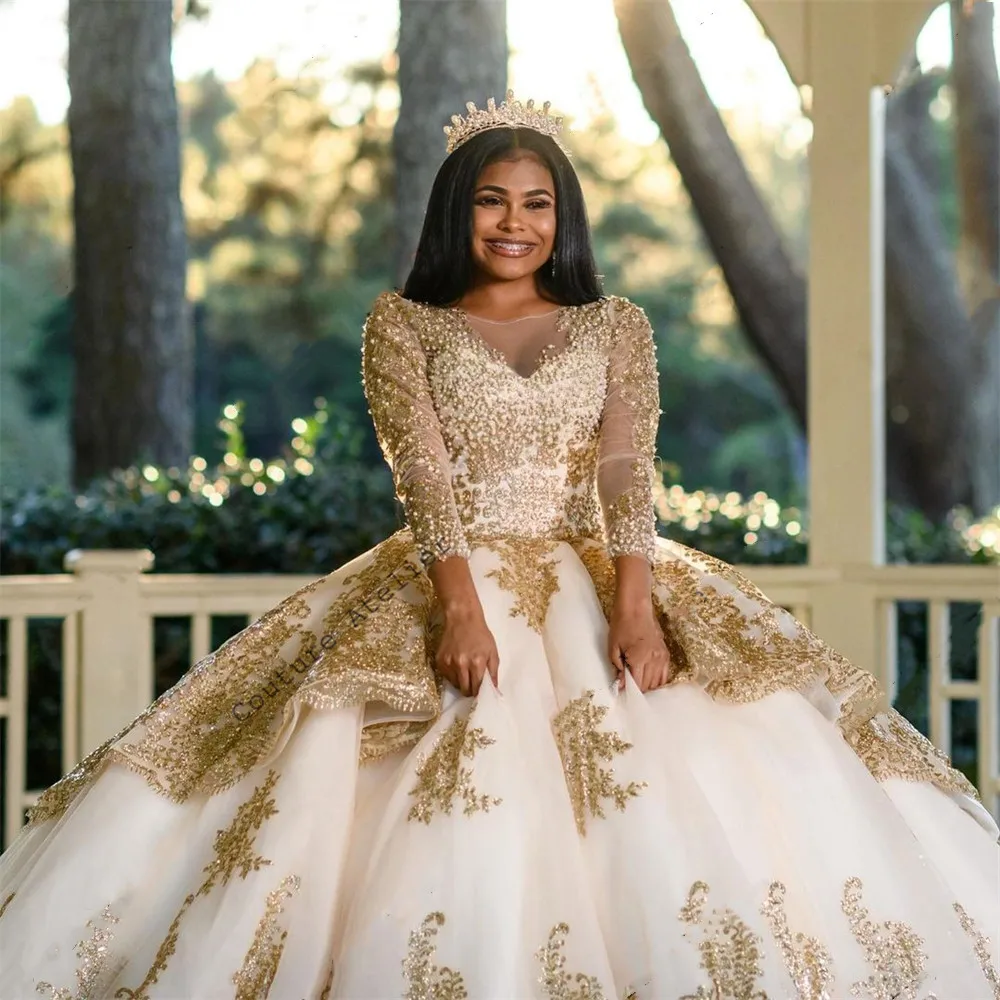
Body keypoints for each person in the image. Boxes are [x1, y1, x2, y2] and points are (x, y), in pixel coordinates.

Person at [1, 91, 997, 1000]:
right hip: (451, 568)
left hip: (597, 569)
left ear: (562, 219)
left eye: (536, 203)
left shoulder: (615, 325)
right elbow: (422, 473)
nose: (515, 222)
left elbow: (624, 472)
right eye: (491, 200)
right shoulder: (404, 325)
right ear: (456, 211)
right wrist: (463, 607)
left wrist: (638, 605)